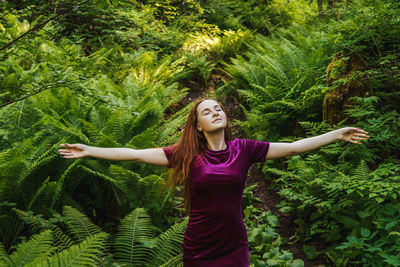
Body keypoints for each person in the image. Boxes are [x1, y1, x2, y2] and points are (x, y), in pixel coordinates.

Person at [58, 98, 369, 267]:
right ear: (198, 124)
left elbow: (294, 146)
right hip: (200, 246)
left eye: (218, 108)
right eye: (207, 111)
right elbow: (137, 154)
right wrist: (89, 150)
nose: (215, 112)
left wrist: (336, 134)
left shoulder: (244, 149)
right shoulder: (186, 153)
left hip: (234, 244)